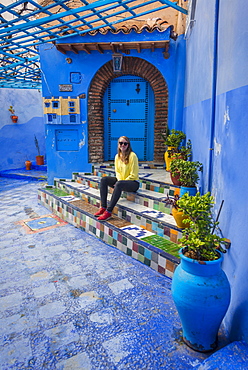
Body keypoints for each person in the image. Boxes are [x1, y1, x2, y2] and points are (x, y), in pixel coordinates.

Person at [94, 136, 139, 221]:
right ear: (118, 144)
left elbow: (134, 174)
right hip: (121, 182)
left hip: (133, 183)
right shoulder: (117, 157)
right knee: (104, 180)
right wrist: (119, 180)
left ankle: (109, 212)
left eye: (125, 143)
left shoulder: (132, 156)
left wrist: (120, 182)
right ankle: (103, 207)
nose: (123, 145)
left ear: (128, 145)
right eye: (121, 143)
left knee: (119, 184)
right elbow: (117, 171)